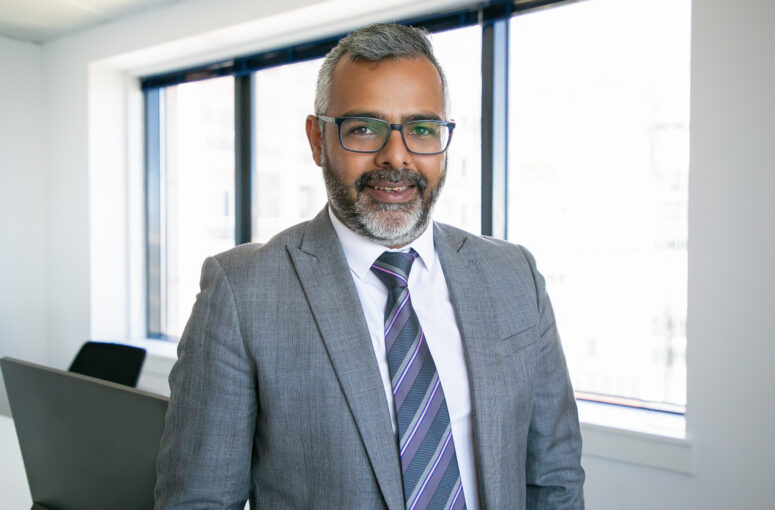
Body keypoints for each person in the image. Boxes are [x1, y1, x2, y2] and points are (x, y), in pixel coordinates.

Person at [155, 23, 584, 510]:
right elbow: (198, 501)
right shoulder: (242, 293)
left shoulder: (515, 275)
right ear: (318, 140)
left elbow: (555, 477)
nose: (396, 156)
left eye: (422, 129)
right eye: (364, 128)